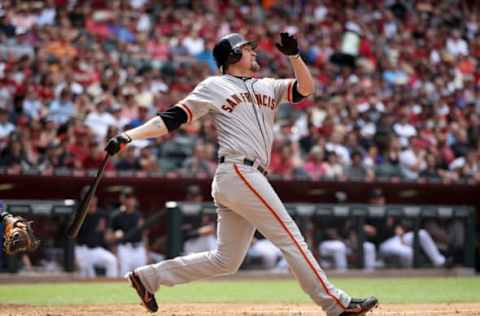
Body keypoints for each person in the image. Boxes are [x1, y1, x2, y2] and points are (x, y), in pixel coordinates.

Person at [105, 32, 377, 315]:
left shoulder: (268, 86)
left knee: (226, 260)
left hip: (242, 177)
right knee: (291, 237)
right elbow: (172, 118)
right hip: (239, 170)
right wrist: (129, 136)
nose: (254, 53)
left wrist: (295, 57)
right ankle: (335, 304)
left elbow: (306, 89)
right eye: (248, 49)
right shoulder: (214, 85)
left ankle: (148, 278)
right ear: (233, 56)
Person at [75, 187, 118, 278]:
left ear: (96, 199)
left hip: (96, 250)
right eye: (87, 197)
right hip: (81, 250)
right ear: (83, 199)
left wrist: (115, 237)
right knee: (87, 273)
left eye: (92, 197)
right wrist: (73, 256)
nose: (91, 200)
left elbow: (107, 236)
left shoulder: (102, 214)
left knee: (112, 260)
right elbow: (71, 238)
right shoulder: (77, 214)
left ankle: (111, 288)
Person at [108, 187, 148, 277]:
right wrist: (115, 236)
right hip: (124, 249)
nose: (130, 200)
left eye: (131, 198)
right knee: (124, 277)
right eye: (127, 198)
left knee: (142, 277)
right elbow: (108, 237)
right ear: (122, 199)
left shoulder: (139, 215)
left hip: (139, 248)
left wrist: (146, 252)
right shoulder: (116, 216)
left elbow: (144, 235)